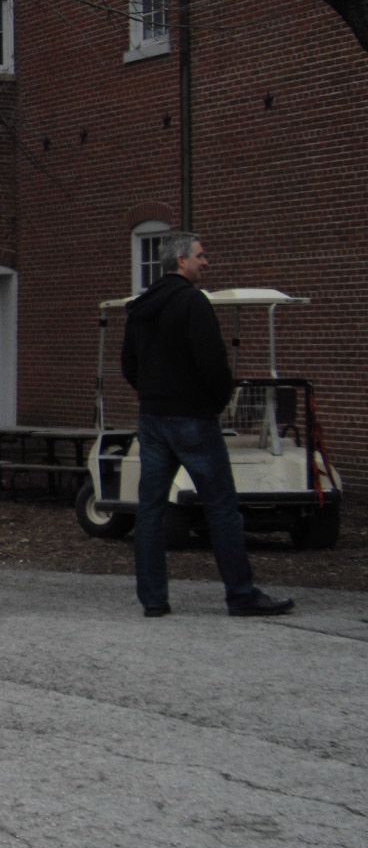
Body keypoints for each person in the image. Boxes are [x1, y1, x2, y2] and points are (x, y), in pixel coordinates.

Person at [122, 232, 294, 619]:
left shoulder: (140, 308)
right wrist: (216, 402)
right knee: (221, 509)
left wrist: (152, 395)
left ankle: (153, 599)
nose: (206, 262)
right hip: (194, 418)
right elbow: (213, 362)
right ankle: (241, 595)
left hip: (152, 419)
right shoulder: (193, 302)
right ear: (181, 261)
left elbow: (128, 365)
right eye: (200, 256)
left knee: (150, 510)